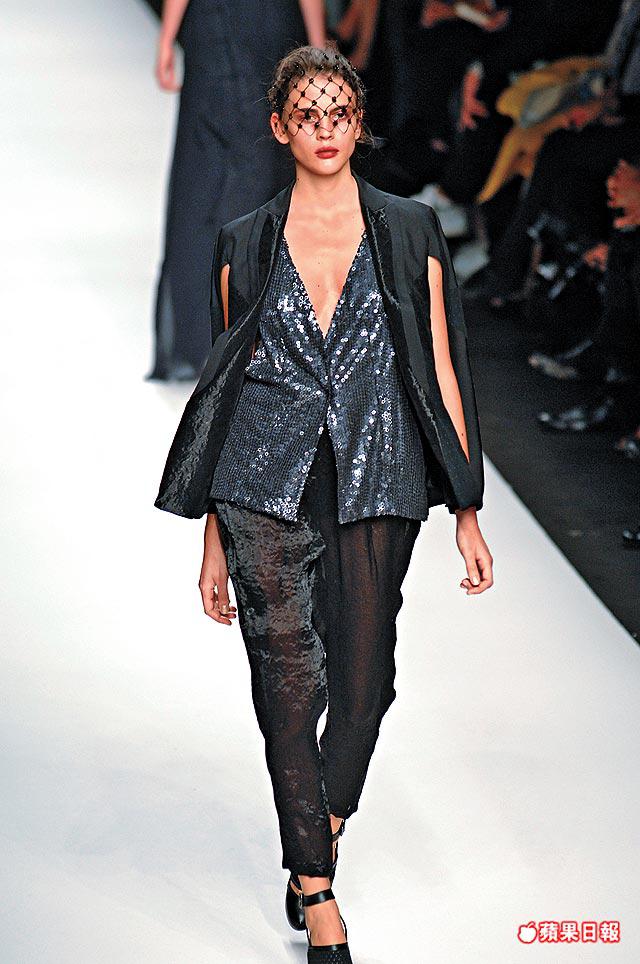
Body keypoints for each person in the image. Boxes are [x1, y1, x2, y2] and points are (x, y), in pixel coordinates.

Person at [154, 45, 494, 961]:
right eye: (306, 115)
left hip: (381, 471)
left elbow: (444, 369)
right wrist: (214, 538)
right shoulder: (245, 240)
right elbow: (225, 387)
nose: (325, 130)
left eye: (338, 112)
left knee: (366, 687)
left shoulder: (410, 229)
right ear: (280, 128)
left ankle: (321, 824)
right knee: (288, 684)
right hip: (262, 480)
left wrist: (466, 506)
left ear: (358, 121)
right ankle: (317, 890)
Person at [146, 0, 325, 382]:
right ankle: (256, 341)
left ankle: (201, 340)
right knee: (262, 171)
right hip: (270, 29)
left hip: (215, 27)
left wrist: (166, 38)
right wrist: (318, 48)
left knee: (202, 179)